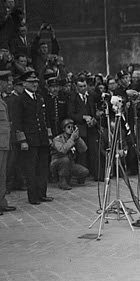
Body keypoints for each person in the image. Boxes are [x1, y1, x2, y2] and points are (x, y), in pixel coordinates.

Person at [11, 70, 54, 205]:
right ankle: (33, 196)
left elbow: (45, 119)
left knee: (42, 167)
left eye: (36, 81)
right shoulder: (20, 100)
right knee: (31, 168)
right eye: (31, 82)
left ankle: (42, 193)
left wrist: (49, 136)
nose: (35, 84)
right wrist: (22, 140)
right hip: (29, 139)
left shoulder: (39, 98)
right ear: (24, 84)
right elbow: (17, 122)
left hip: (41, 138)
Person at [50, 118, 89, 190]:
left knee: (84, 171)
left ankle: (69, 177)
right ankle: (62, 181)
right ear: (63, 129)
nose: (71, 129)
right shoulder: (58, 139)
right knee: (65, 160)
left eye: (72, 127)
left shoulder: (74, 138)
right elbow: (62, 150)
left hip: (70, 163)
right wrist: (72, 139)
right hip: (57, 163)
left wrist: (78, 138)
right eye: (68, 127)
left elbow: (84, 149)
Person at [0, 70, 16, 214]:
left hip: (4, 143)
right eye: (6, 82)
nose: (8, 84)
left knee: (2, 174)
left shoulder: (2, 100)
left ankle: (2, 202)